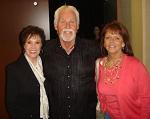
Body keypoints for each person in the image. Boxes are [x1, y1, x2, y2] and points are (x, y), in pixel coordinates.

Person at [42, 5, 101, 119]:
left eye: (72, 22)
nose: (67, 26)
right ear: (56, 26)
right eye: (62, 21)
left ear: (77, 26)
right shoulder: (44, 50)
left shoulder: (94, 49)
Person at [96, 21, 150, 119]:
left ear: (123, 43)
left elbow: (146, 99)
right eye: (108, 38)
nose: (111, 41)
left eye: (117, 38)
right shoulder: (100, 64)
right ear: (104, 42)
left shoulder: (136, 66)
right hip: (108, 116)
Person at [5, 25, 49, 119]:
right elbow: (11, 103)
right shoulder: (13, 69)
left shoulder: (49, 65)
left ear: (41, 45)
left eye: (37, 42)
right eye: (29, 42)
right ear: (24, 45)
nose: (33, 47)